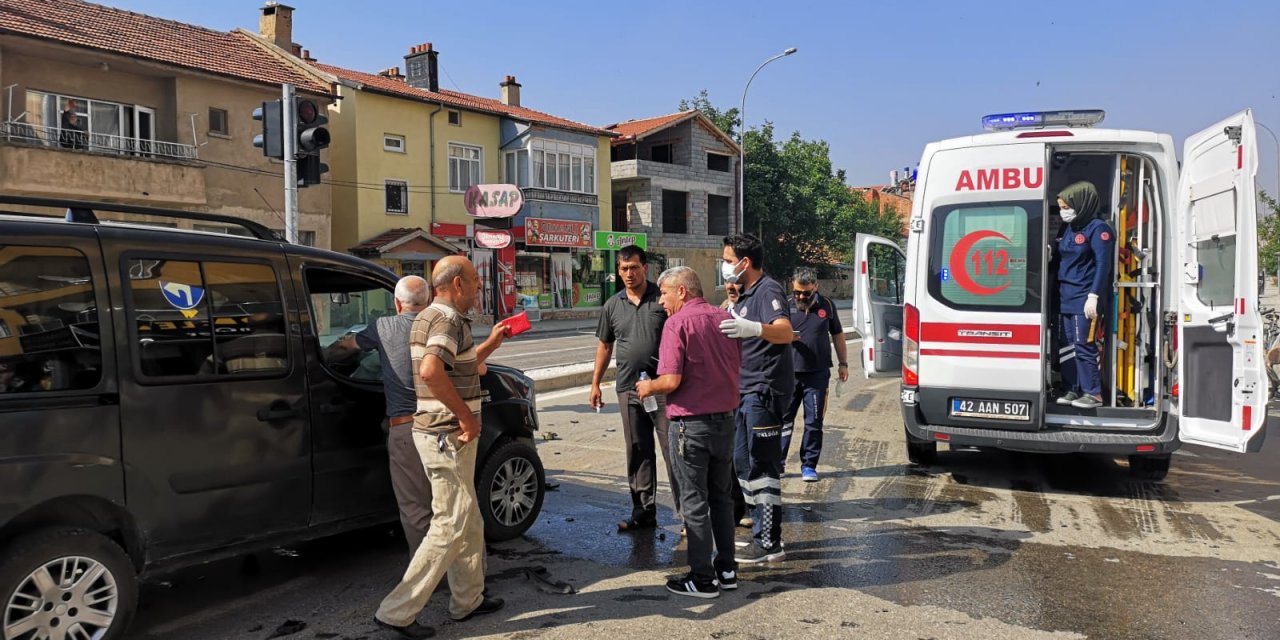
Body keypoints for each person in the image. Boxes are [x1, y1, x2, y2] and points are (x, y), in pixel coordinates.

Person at [374, 257, 509, 639]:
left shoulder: (428, 316)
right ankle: (396, 612)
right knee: (450, 522)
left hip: (440, 434)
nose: (480, 287)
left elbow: (458, 369)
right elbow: (431, 371)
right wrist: (467, 418)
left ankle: (468, 600)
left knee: (469, 518)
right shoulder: (447, 319)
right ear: (457, 285)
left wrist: (490, 345)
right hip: (447, 435)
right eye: (475, 280)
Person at [637, 266, 741, 598]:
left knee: (695, 502)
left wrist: (646, 386)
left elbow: (671, 381)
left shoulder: (677, 323)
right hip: (725, 422)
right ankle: (726, 569)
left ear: (682, 291)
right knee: (722, 498)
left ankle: (702, 578)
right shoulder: (723, 318)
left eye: (664, 294)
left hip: (691, 425)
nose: (661, 301)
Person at [330, 276, 433, 554]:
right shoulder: (442, 325)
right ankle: (465, 576)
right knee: (449, 505)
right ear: (429, 301)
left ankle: (430, 576)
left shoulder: (383, 326)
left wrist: (326, 354)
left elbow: (346, 347)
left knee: (415, 508)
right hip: (443, 426)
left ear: (397, 303)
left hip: (407, 429)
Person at [589, 245, 679, 532]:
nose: (629, 274)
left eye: (634, 268)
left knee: (673, 449)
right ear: (619, 271)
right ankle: (643, 511)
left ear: (645, 268)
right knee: (638, 450)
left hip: (663, 387)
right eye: (624, 269)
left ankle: (688, 516)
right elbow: (604, 345)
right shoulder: (612, 305)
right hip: (628, 387)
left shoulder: (661, 299)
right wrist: (595, 383)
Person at [718, 233, 794, 563]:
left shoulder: (768, 290)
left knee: (763, 466)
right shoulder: (746, 294)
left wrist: (755, 329)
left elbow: (785, 331)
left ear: (744, 263)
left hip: (764, 390)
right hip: (744, 390)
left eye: (727, 259)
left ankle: (769, 541)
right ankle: (760, 530)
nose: (724, 266)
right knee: (743, 463)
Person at [780, 267, 848, 482]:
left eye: (806, 293)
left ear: (816, 287)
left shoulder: (827, 305)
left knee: (814, 422)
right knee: (783, 421)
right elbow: (769, 334)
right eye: (797, 292)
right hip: (788, 374)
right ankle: (778, 462)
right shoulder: (784, 306)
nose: (801, 297)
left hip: (817, 376)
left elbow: (837, 334)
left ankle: (809, 465)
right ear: (792, 286)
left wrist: (843, 363)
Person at [1052, 181, 1114, 409]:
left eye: (1066, 206)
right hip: (1064, 295)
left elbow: (1102, 264)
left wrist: (1094, 295)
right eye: (1060, 207)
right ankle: (1072, 388)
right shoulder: (1069, 227)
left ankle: (1093, 393)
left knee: (1084, 344)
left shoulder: (1098, 229)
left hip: (1084, 297)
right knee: (1066, 345)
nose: (1063, 211)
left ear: (1081, 203)